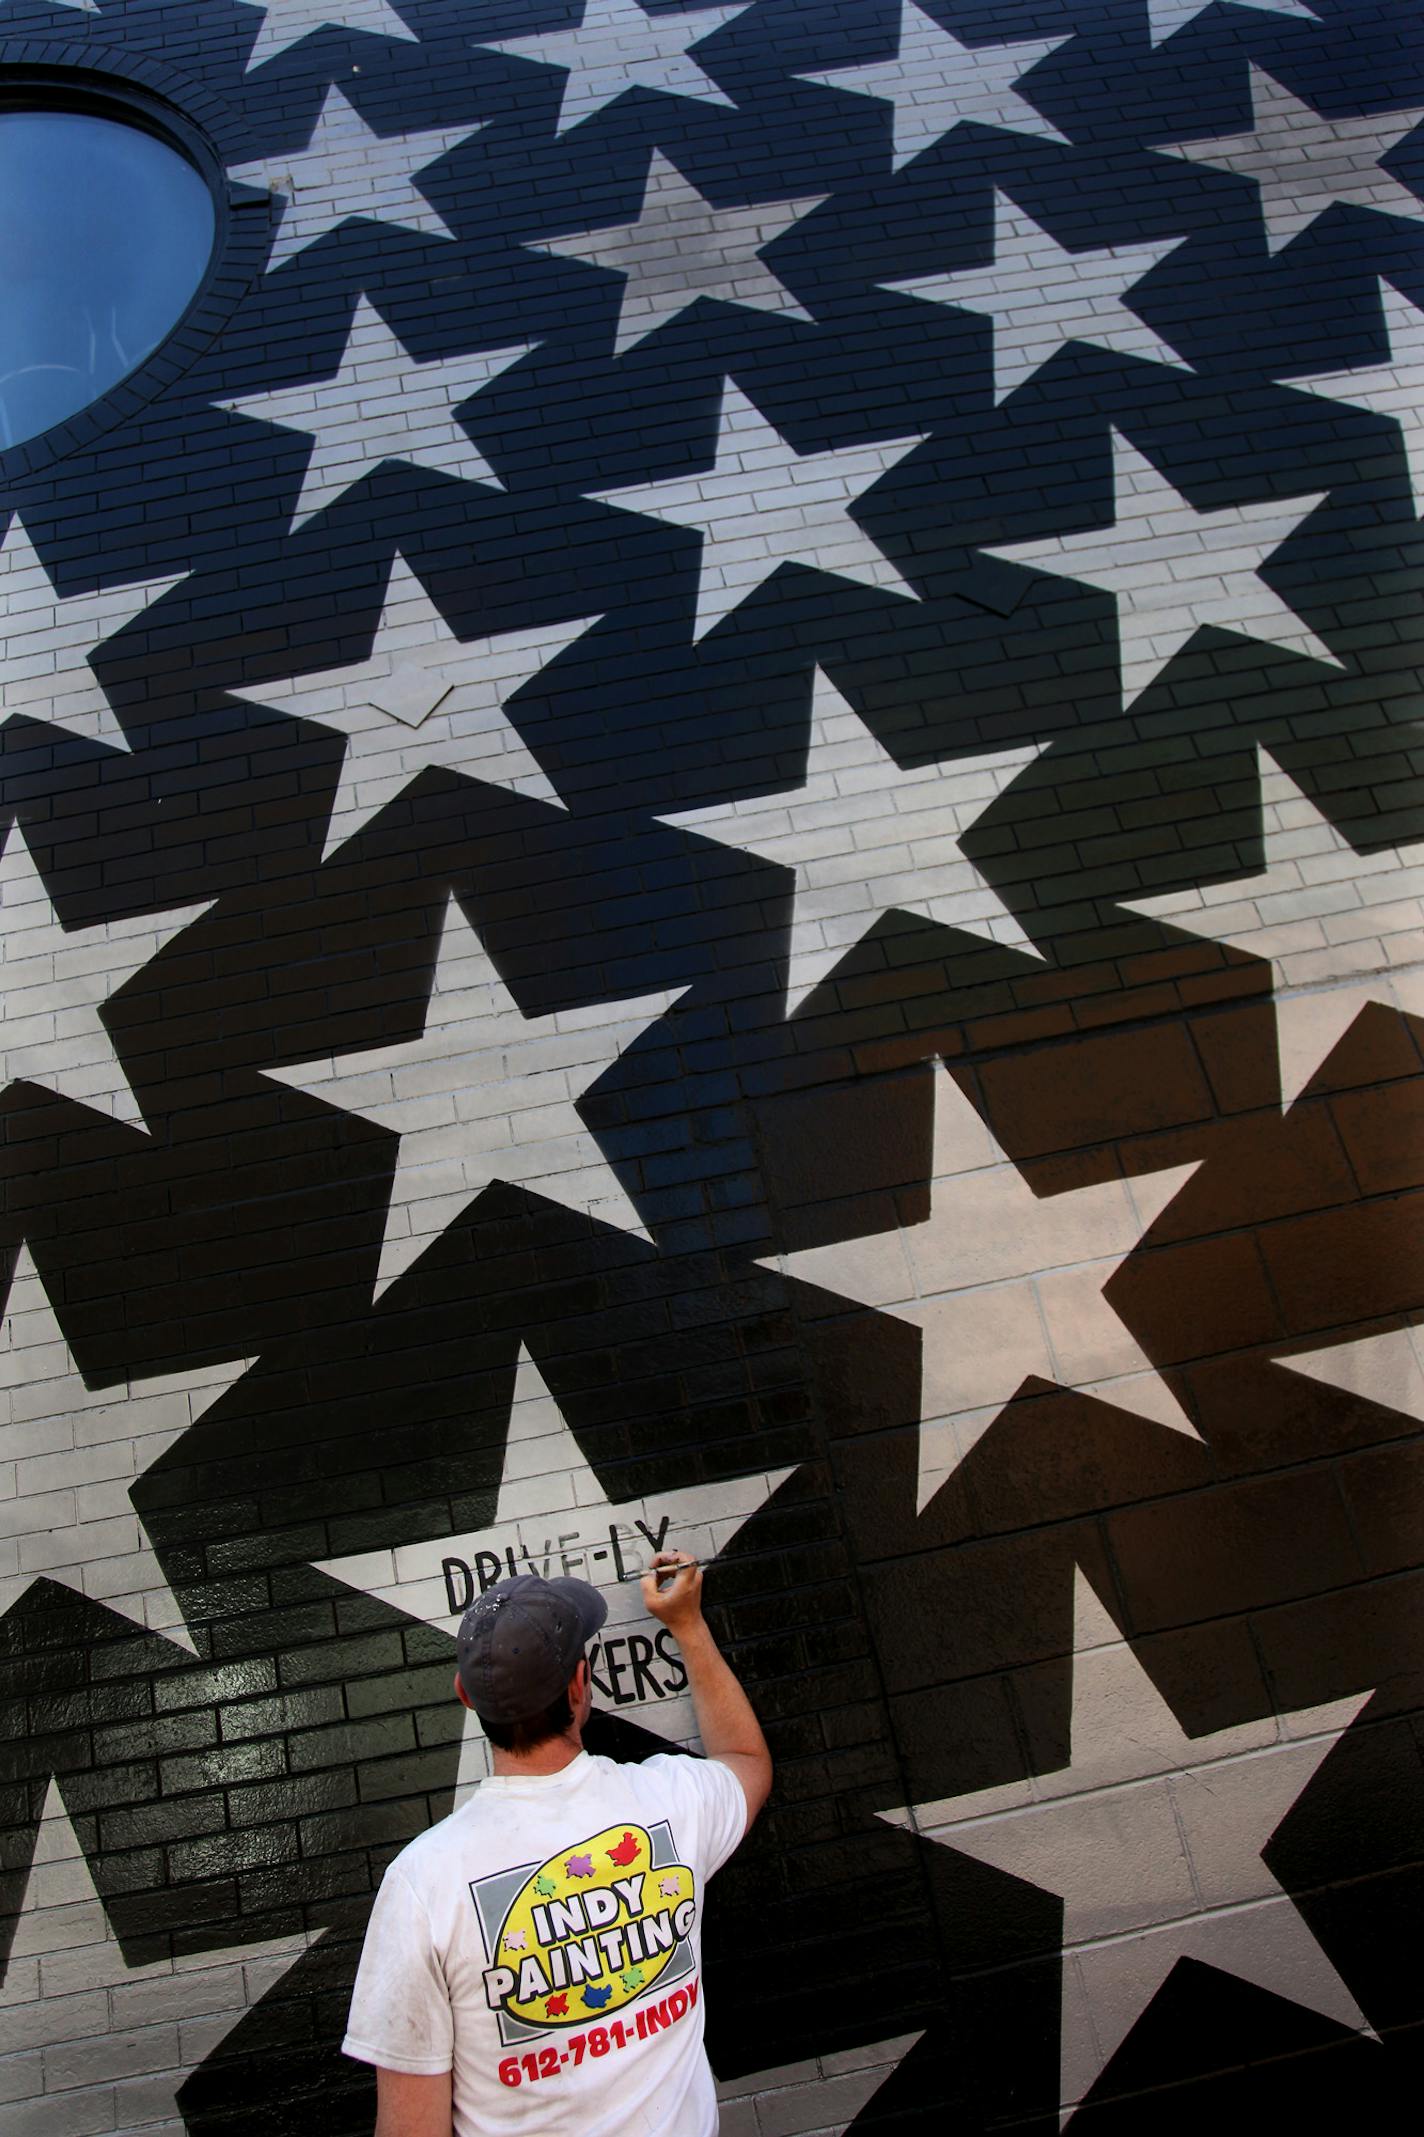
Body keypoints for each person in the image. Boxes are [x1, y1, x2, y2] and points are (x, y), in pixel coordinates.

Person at [342, 1552, 772, 2136]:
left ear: (465, 1695)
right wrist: (688, 1626)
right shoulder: (672, 1804)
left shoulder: (421, 1885)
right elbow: (746, 1761)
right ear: (579, 1684)